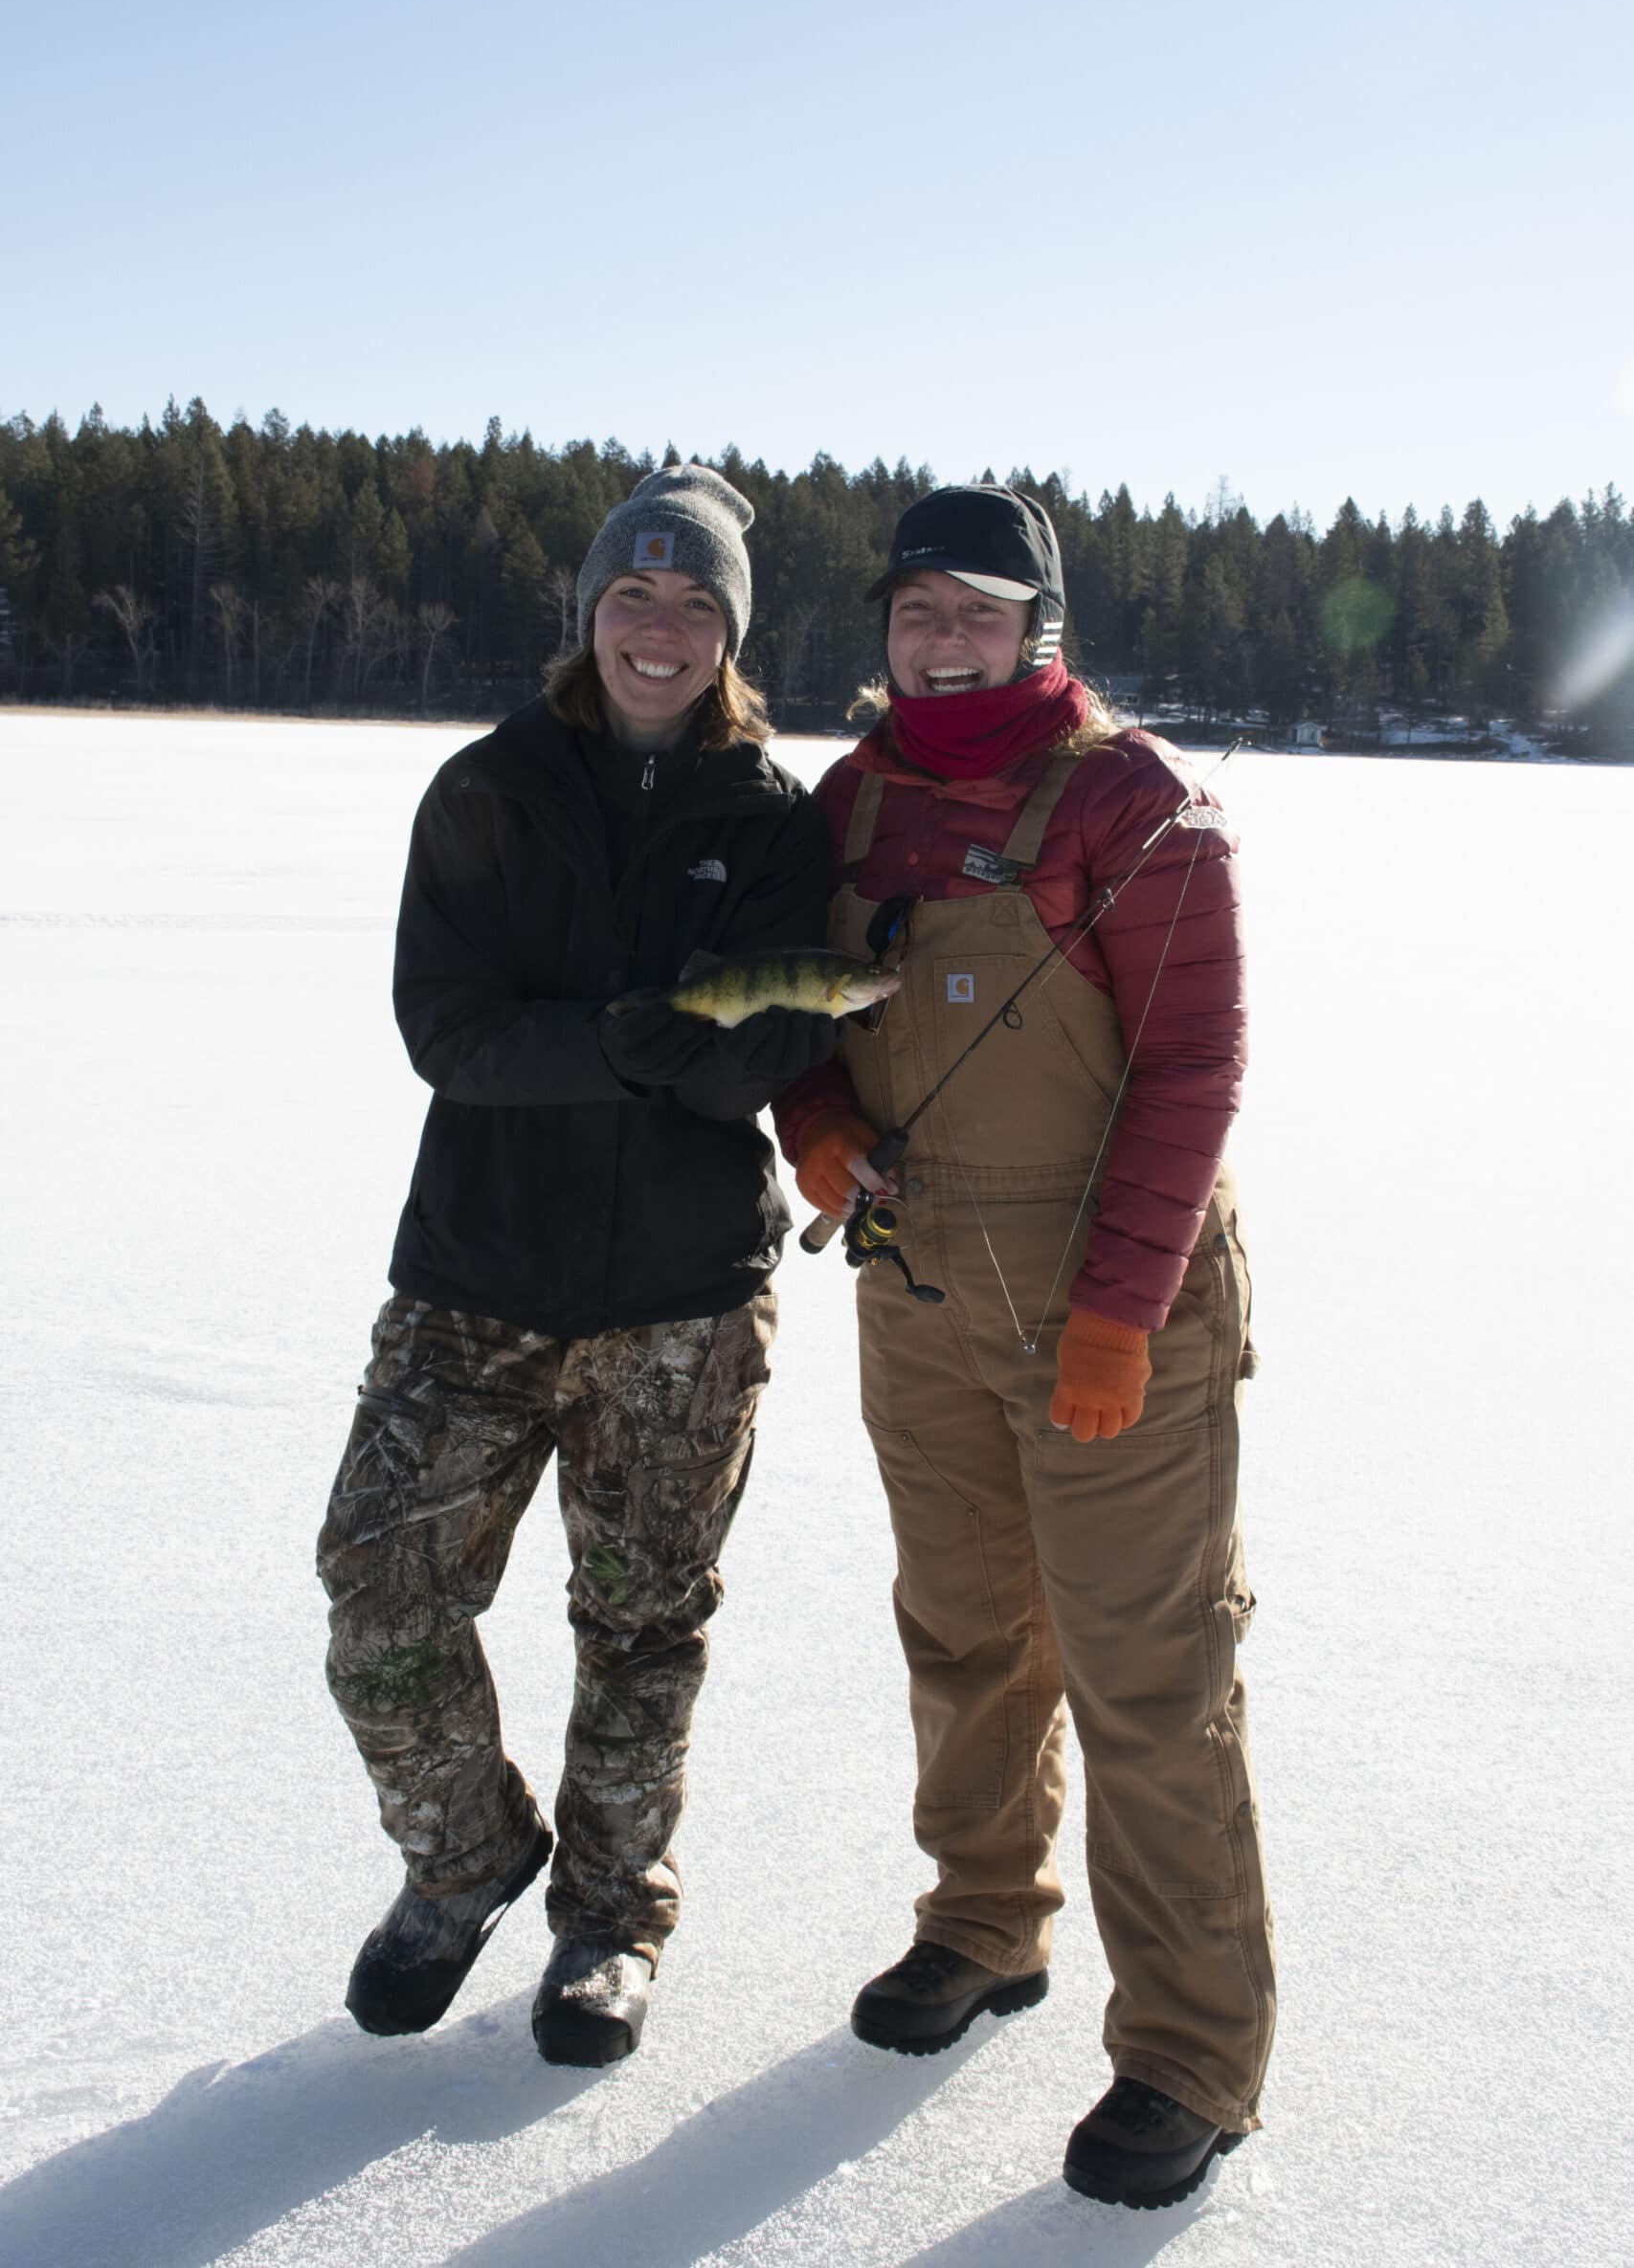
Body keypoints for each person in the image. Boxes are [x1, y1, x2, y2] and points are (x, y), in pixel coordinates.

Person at [773, 484, 1274, 2210]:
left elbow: (1192, 1071)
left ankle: (1192, 2057)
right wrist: (814, 1120)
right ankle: (984, 1926)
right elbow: (791, 998)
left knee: (1150, 1684)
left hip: (1107, 1307)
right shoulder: (850, 803)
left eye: (979, 611)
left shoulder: (1134, 801)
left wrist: (1124, 1317)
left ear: (1040, 625)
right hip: (917, 1296)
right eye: (918, 611)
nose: (943, 639)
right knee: (965, 1637)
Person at [319, 464, 833, 2067]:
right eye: (633, 597)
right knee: (380, 1596)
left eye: (694, 605)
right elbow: (446, 1031)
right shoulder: (487, 789)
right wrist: (632, 1040)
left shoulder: (771, 815)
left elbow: (784, 1036)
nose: (660, 630)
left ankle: (610, 1922)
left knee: (644, 1623)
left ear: (730, 633)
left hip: (683, 1299)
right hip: (475, 1276)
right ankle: (467, 1856)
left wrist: (720, 1040)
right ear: (590, 614)